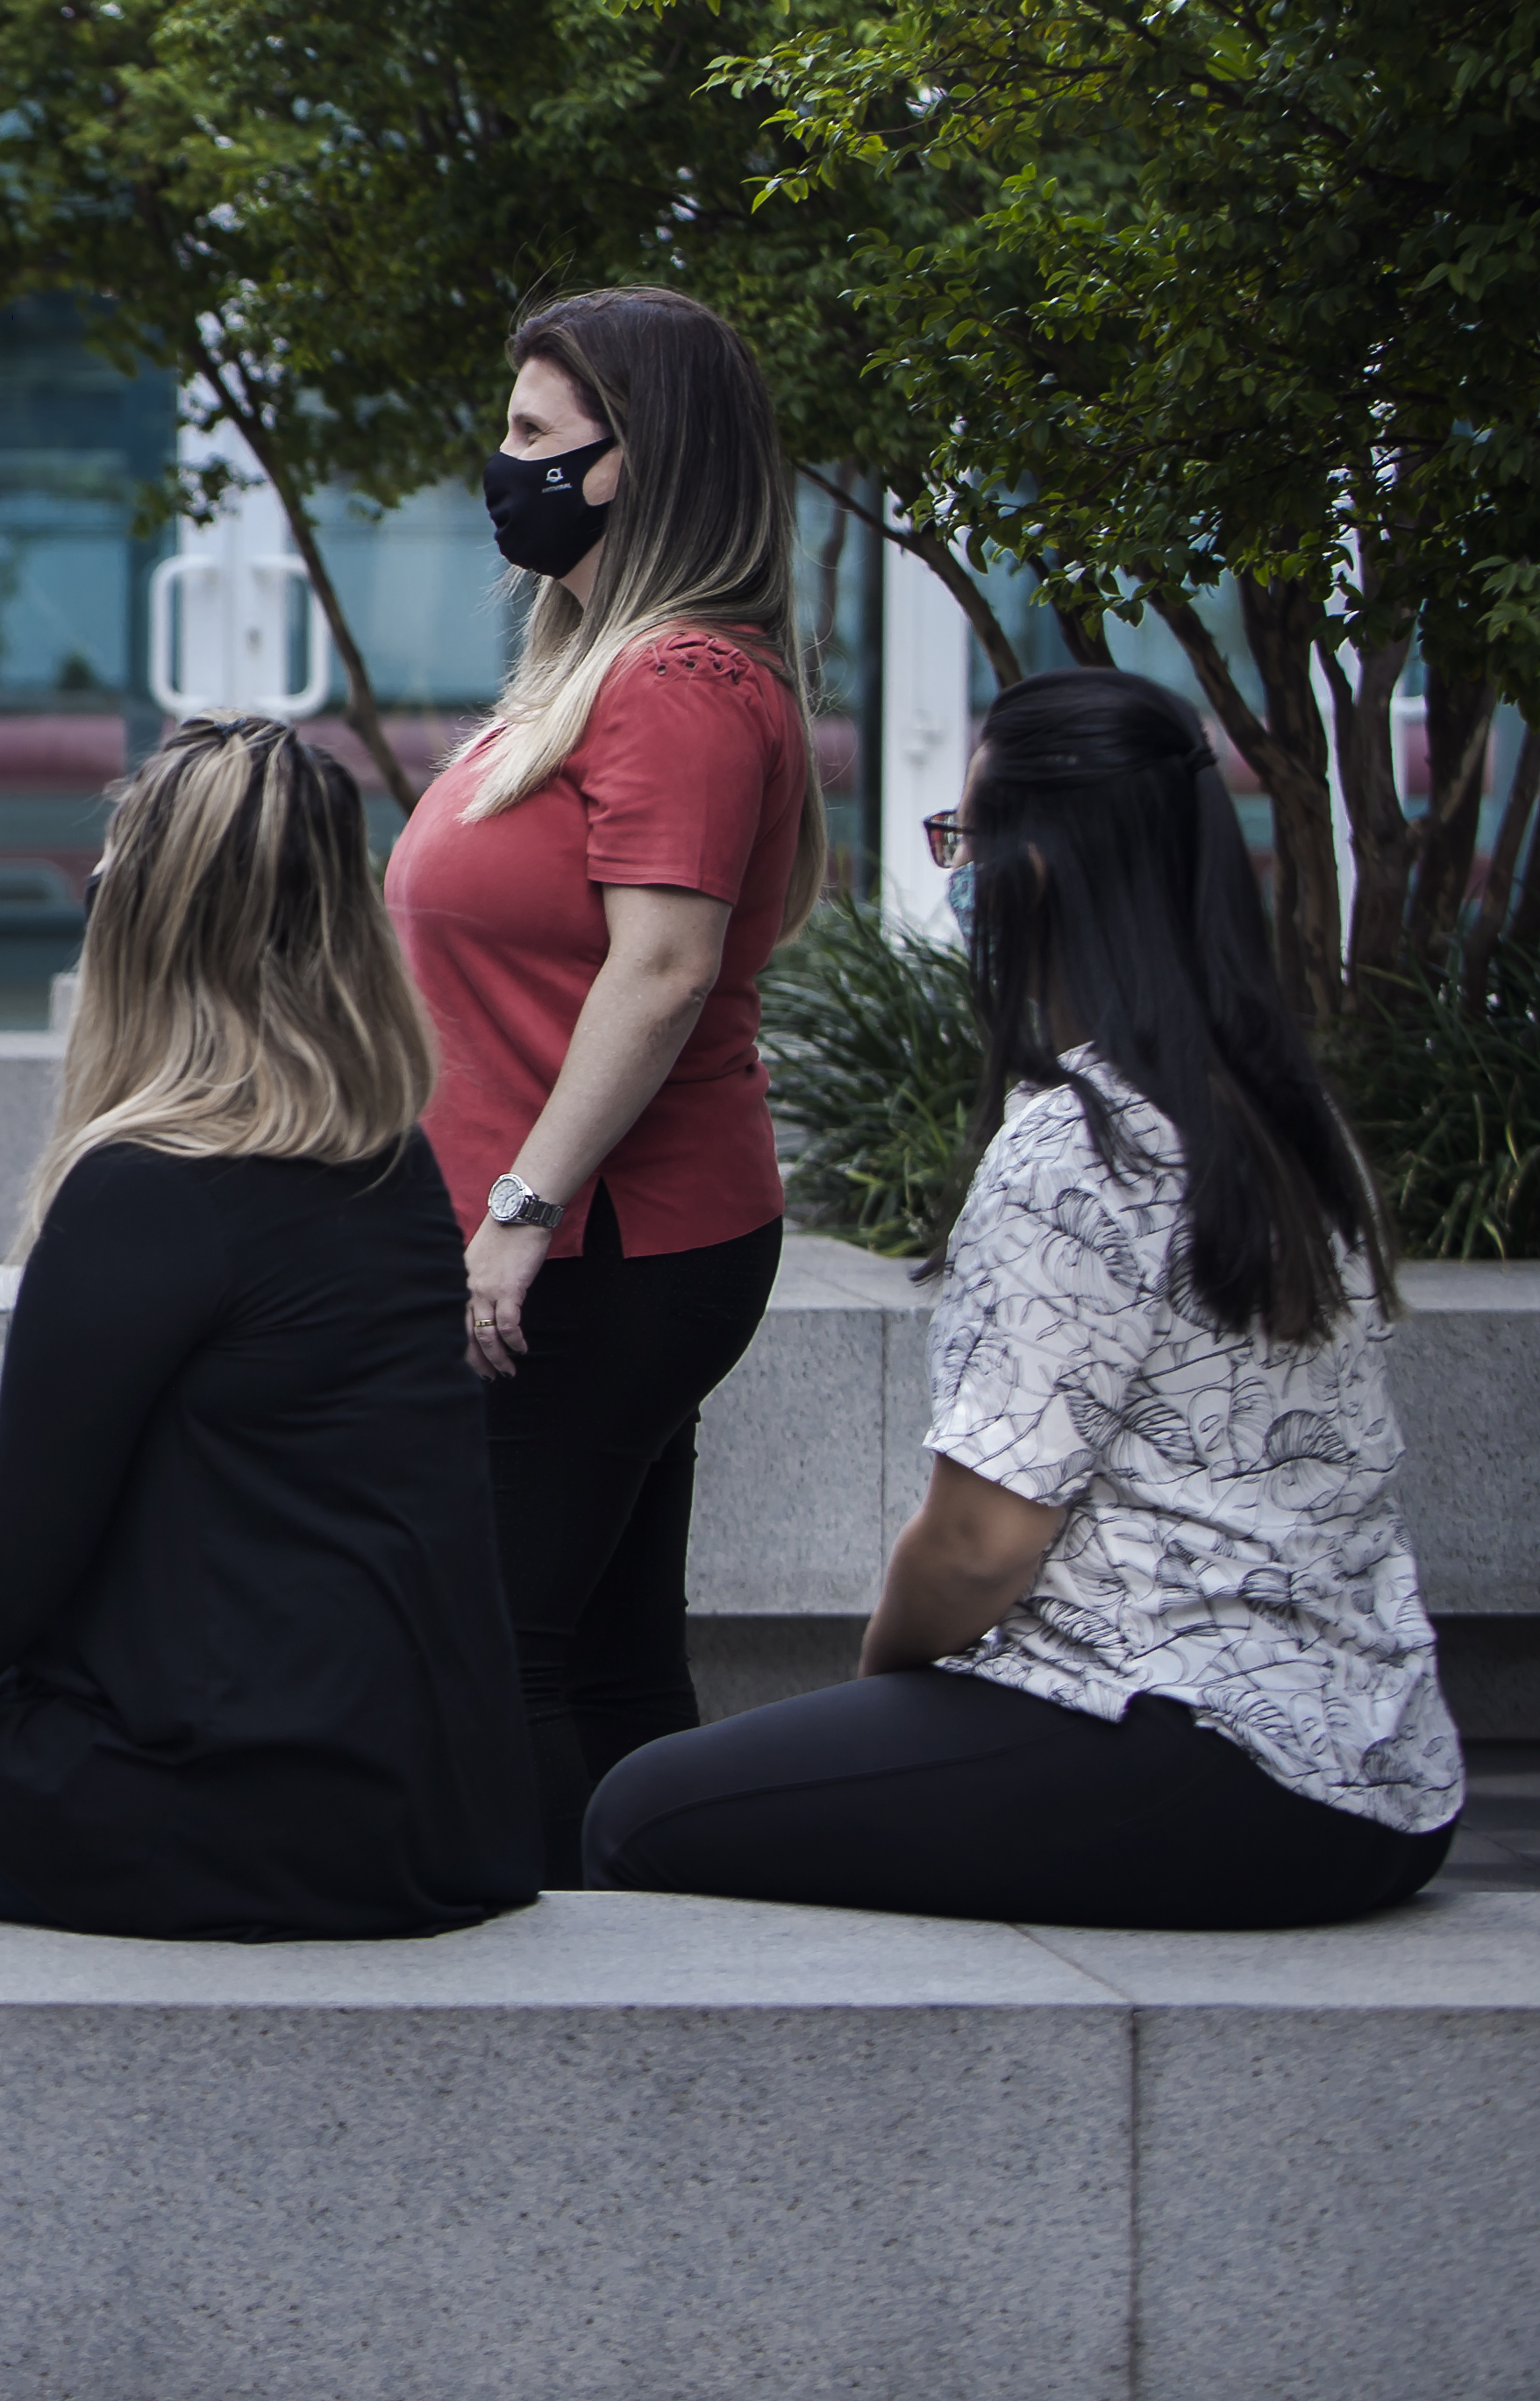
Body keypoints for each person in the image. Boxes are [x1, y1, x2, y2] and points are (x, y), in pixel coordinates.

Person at [585, 669, 1462, 1924]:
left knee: (641, 1813)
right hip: (1384, 1780)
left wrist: (883, 1684)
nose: (965, 873)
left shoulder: (1080, 1146)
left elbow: (981, 1544)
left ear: (1036, 871)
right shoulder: (1283, 1115)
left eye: (968, 841)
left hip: (1191, 1745)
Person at [0, 716, 534, 1941]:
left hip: (231, 1797)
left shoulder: (152, 1187)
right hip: (428, 1798)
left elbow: (25, 1534)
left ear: (141, 923)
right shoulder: (386, 1161)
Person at [380, 284, 823, 1877]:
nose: (501, 466)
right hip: (580, 1240)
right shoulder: (603, 668)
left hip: (601, 1246)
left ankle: (559, 2017)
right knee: (609, 1656)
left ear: (638, 463)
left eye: (534, 437)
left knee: (499, 1655)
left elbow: (663, 967)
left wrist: (518, 1209)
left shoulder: (678, 686)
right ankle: (654, 1983)